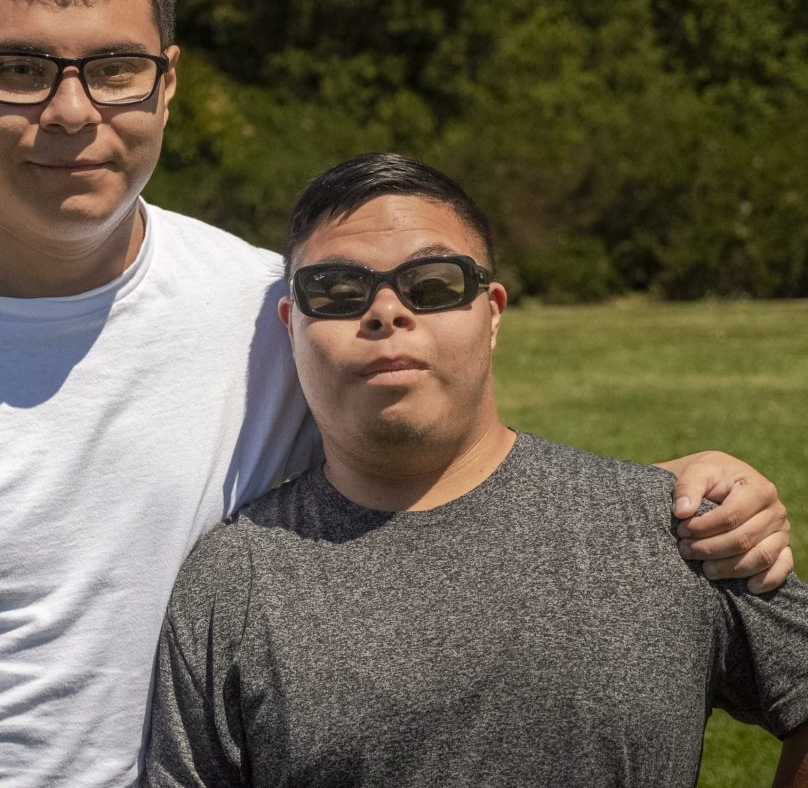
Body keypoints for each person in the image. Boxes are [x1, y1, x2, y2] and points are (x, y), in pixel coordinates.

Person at [0, 0, 793, 788]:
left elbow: (445, 449)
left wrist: (650, 508)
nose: (72, 110)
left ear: (166, 84)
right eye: (18, 70)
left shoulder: (267, 302)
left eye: (115, 69)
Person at [141, 153, 808, 788]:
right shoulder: (231, 582)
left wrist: (636, 505)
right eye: (337, 291)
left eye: (432, 285)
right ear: (291, 326)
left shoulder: (674, 529)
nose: (385, 311)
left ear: (491, 312)